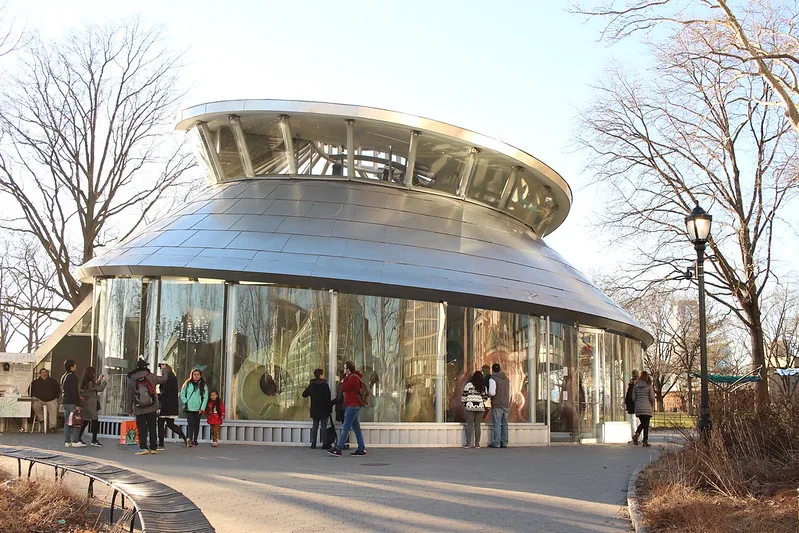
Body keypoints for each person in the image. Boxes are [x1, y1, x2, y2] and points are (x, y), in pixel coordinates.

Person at [126, 358, 167, 455]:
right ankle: (153, 448)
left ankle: (143, 447)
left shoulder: (131, 378)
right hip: (152, 406)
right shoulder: (151, 376)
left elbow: (129, 395)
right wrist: (164, 369)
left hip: (138, 407)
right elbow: (164, 379)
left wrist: (129, 409)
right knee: (152, 427)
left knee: (141, 428)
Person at [327, 361, 366, 457]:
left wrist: (344, 380)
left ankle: (339, 448)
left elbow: (344, 388)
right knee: (356, 428)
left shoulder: (352, 378)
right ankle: (361, 448)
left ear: (348, 369)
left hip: (352, 406)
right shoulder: (353, 377)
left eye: (345, 368)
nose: (344, 370)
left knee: (346, 427)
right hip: (354, 405)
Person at [157, 363, 189, 449]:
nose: (161, 370)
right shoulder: (173, 378)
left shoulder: (166, 378)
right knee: (171, 424)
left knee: (160, 423)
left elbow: (166, 392)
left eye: (162, 368)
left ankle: (161, 444)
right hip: (173, 405)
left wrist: (158, 395)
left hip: (165, 404)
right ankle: (185, 438)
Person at [302, 368, 332, 449]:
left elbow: (304, 394)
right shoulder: (325, 385)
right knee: (323, 426)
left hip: (314, 408)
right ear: (320, 375)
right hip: (324, 408)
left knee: (315, 425)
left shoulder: (312, 385)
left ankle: (313, 443)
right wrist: (330, 409)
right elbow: (328, 398)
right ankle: (325, 444)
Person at [78, 366, 107, 447]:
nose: (94, 374)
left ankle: (78, 438)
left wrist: (98, 380)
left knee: (85, 422)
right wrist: (104, 382)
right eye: (93, 373)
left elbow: (93, 388)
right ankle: (94, 440)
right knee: (95, 421)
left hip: (85, 404)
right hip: (91, 404)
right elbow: (100, 389)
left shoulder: (84, 382)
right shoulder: (90, 382)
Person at [180, 368, 208, 447]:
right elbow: (182, 394)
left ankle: (195, 439)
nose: (196, 376)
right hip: (189, 408)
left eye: (198, 375)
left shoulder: (203, 385)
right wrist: (186, 402)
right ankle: (190, 439)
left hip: (198, 408)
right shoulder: (187, 383)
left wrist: (202, 408)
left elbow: (205, 397)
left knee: (196, 424)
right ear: (192, 375)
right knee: (190, 424)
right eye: (194, 374)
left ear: (200, 375)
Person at [60, 359, 85, 448]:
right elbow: (74, 391)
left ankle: (67, 441)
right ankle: (75, 440)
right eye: (75, 365)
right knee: (76, 421)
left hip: (65, 402)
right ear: (71, 367)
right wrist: (77, 404)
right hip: (72, 402)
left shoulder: (64, 376)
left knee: (67, 422)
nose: (76, 367)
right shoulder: (72, 377)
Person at [461, 371, 488, 448]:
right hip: (480, 407)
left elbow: (464, 396)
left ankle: (468, 443)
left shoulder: (468, 385)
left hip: (469, 407)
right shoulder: (483, 386)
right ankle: (477, 443)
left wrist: (465, 404)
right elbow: (485, 398)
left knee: (469, 425)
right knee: (477, 425)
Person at [487, 363, 510, 448]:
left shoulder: (493, 379)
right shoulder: (507, 379)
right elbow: (510, 393)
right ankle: (504, 442)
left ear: (492, 370)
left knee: (497, 424)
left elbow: (492, 393)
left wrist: (487, 393)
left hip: (497, 404)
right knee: (505, 424)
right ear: (500, 369)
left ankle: (496, 443)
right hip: (506, 404)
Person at [632, 370, 655, 447]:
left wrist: (637, 403)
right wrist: (652, 405)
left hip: (639, 407)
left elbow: (633, 397)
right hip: (647, 406)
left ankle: (637, 435)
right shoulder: (649, 385)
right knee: (646, 424)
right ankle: (645, 441)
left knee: (643, 423)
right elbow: (652, 397)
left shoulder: (636, 385)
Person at [625, 369, 640, 442]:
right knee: (638, 422)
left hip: (632, 405)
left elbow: (629, 395)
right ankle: (639, 437)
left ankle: (634, 437)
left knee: (633, 422)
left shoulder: (632, 385)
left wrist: (627, 403)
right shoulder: (641, 384)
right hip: (639, 405)